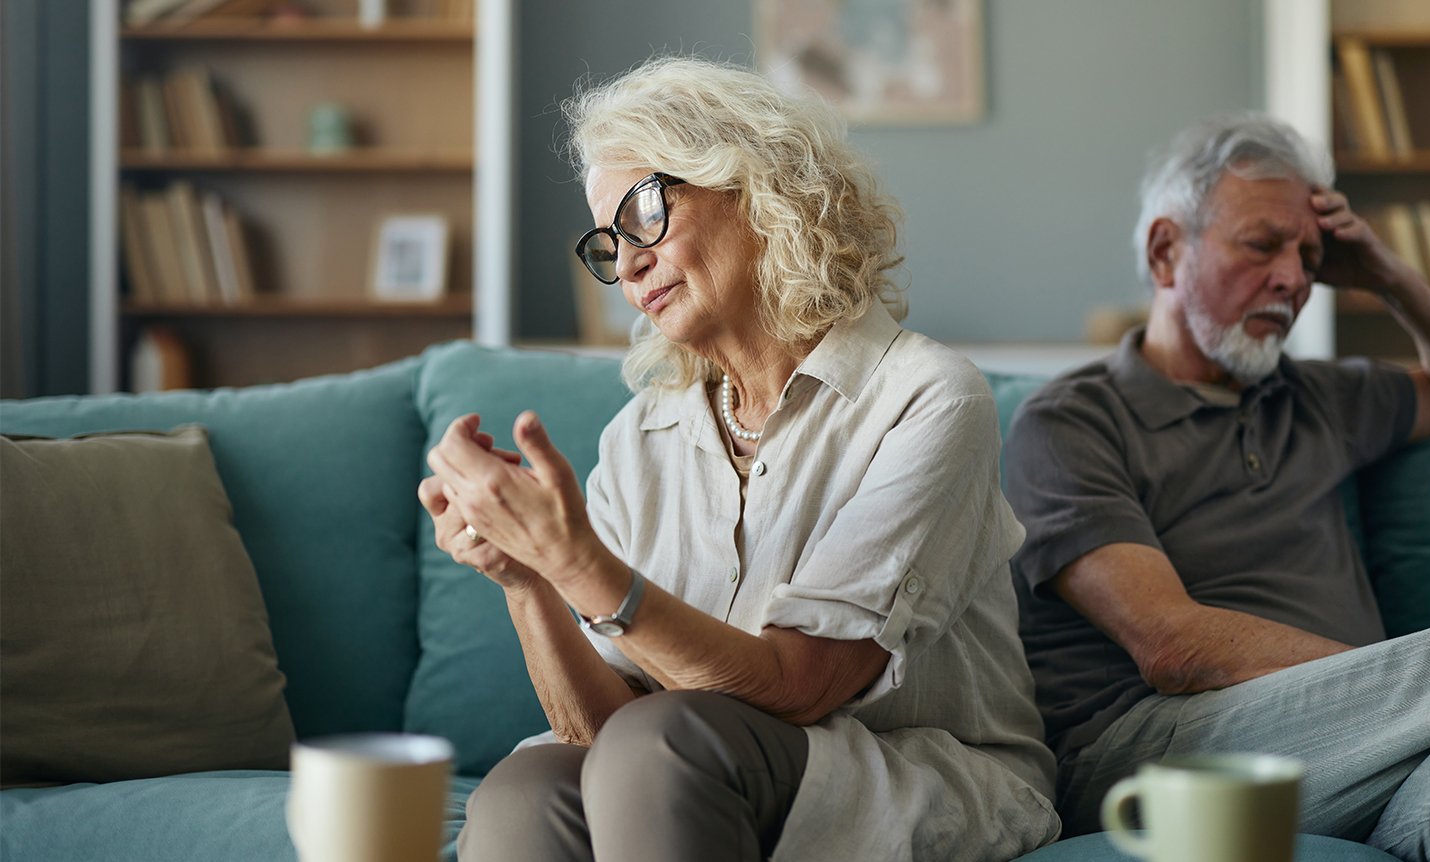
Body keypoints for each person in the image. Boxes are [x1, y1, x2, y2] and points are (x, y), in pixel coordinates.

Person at [418, 57, 1060, 862]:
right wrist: (530, 577)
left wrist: (577, 561)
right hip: (681, 771)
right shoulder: (640, 437)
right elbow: (599, 734)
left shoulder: (927, 397)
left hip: (913, 772)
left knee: (662, 743)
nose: (628, 265)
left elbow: (801, 686)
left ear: (758, 188)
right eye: (609, 243)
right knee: (526, 788)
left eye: (644, 212)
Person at [1005, 113, 1430, 862]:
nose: (1292, 279)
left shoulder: (1315, 400)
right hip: (1159, 753)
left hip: (1364, 752)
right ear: (1165, 251)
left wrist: (1387, 276)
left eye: (1311, 259)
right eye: (1262, 245)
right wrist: (1407, 684)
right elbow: (1171, 645)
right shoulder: (1071, 421)